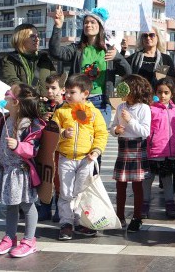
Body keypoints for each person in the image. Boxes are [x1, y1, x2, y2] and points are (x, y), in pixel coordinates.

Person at [0, 84, 44, 258]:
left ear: (16, 102)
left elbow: (33, 149)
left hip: (21, 172)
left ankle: (29, 240)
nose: (5, 95)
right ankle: (10, 237)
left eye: (8, 93)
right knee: (10, 205)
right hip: (6, 170)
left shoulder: (30, 124)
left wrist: (19, 145)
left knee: (27, 205)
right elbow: (1, 141)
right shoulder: (4, 119)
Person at [50, 6, 131, 124]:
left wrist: (118, 57)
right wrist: (58, 26)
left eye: (93, 22)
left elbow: (127, 73)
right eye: (86, 22)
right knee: (82, 139)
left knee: (99, 138)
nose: (88, 25)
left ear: (100, 27)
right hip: (79, 101)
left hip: (101, 102)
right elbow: (55, 52)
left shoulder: (109, 50)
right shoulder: (76, 49)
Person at [52, 74, 109, 240]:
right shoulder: (61, 111)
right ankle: (66, 223)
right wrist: (62, 134)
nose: (67, 95)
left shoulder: (94, 113)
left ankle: (81, 221)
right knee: (66, 191)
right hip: (66, 157)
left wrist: (97, 151)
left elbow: (101, 134)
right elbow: (52, 131)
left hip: (86, 159)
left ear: (85, 94)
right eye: (67, 92)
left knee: (82, 191)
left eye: (72, 92)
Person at [110, 75, 152, 232]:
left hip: (137, 146)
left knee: (137, 185)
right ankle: (119, 216)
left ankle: (137, 217)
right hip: (123, 147)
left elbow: (145, 132)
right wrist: (115, 130)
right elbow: (113, 127)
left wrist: (130, 121)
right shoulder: (121, 107)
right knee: (120, 184)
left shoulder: (144, 108)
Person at [144, 78, 175, 219]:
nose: (163, 95)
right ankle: (144, 204)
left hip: (169, 152)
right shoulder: (151, 108)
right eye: (160, 92)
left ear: (172, 94)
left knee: (167, 179)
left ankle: (170, 204)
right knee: (148, 179)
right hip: (154, 151)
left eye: (166, 92)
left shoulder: (174, 110)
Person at [37, 73, 66, 223]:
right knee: (46, 177)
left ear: (63, 90)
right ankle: (45, 207)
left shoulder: (66, 107)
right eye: (47, 88)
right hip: (46, 148)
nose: (49, 91)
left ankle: (60, 208)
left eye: (53, 88)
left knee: (59, 179)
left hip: (60, 148)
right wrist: (42, 119)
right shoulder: (44, 106)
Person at [0, 23, 56, 95]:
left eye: (37, 36)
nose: (37, 39)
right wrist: (36, 95)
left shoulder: (44, 59)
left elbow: (55, 82)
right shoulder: (10, 60)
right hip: (24, 103)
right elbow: (13, 82)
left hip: (45, 104)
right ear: (20, 39)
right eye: (32, 36)